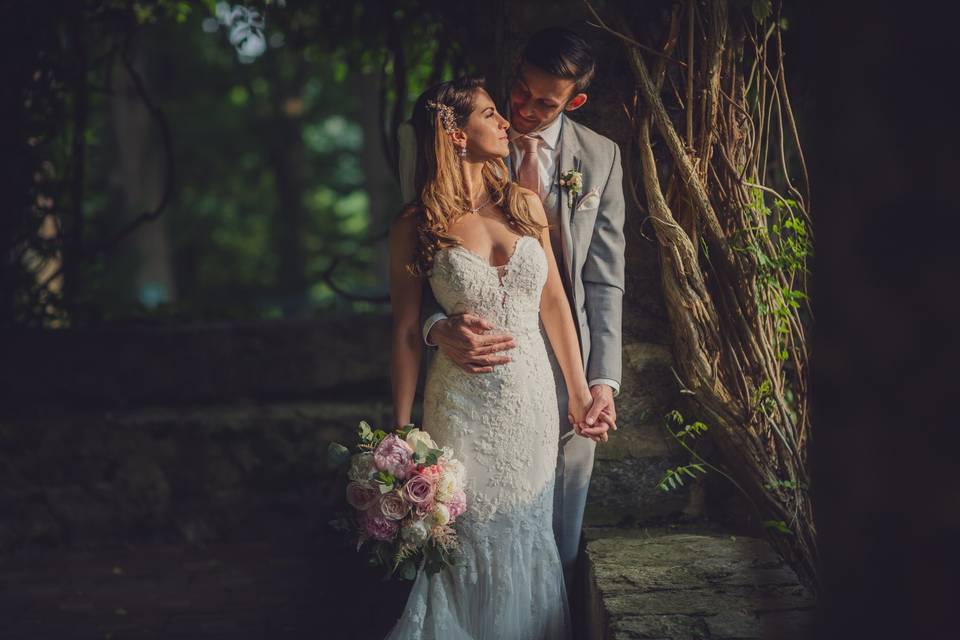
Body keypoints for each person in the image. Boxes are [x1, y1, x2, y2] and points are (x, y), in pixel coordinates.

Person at [399, 27, 626, 592]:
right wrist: (436, 328)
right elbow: (418, 270)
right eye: (517, 92)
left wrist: (597, 382)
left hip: (554, 375)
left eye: (542, 102)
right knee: (462, 538)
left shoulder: (600, 159)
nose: (520, 110)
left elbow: (599, 283)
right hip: (466, 380)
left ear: (572, 102)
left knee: (554, 541)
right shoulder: (448, 134)